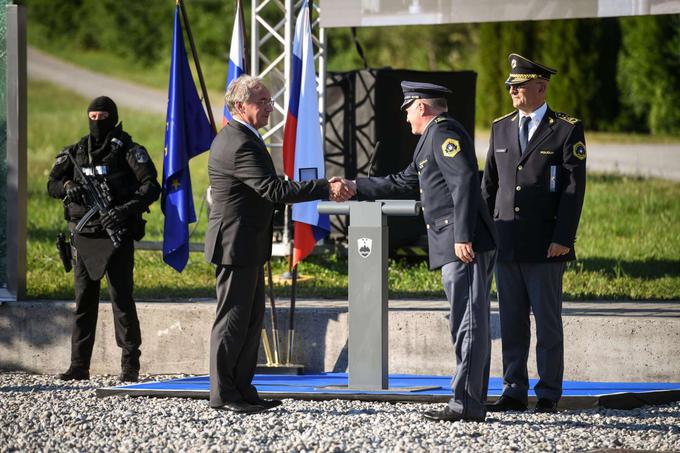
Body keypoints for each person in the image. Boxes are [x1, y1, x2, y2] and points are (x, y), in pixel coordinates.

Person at [345, 81, 497, 422]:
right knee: (465, 322)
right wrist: (356, 186)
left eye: (408, 110)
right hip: (453, 243)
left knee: (469, 324)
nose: (406, 118)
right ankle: (470, 400)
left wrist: (463, 234)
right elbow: (402, 182)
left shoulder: (443, 134)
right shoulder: (429, 140)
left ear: (422, 106)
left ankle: (466, 405)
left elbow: (465, 181)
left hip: (463, 244)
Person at [205, 75, 354, 414]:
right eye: (263, 102)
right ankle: (224, 395)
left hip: (247, 244)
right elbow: (274, 191)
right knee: (232, 320)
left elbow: (269, 187)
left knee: (250, 319)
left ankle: (241, 389)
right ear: (241, 106)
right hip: (235, 244)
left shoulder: (245, 136)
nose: (270, 108)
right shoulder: (239, 142)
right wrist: (324, 187)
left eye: (271, 101)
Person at [481, 54, 587, 413]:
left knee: (547, 322)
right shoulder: (501, 127)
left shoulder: (566, 129)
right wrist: (484, 234)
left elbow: (573, 191)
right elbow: (489, 187)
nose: (512, 90)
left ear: (541, 88)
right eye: (510, 85)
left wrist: (564, 238)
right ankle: (513, 389)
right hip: (506, 243)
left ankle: (548, 392)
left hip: (546, 246)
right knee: (511, 321)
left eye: (520, 85)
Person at [47, 96, 161, 383]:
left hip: (116, 234)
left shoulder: (130, 151)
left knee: (122, 299)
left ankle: (130, 365)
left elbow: (150, 187)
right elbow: (51, 184)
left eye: (103, 117)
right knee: (84, 300)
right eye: (93, 117)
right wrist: (67, 186)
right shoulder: (75, 152)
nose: (97, 123)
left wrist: (123, 211)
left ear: (113, 117)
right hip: (84, 236)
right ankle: (78, 366)